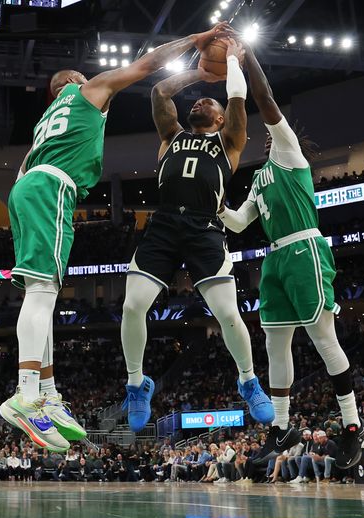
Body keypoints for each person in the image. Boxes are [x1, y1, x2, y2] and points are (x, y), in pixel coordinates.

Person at [0, 22, 235, 452]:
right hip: (52, 189)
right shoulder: (82, 92)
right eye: (84, 78)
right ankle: (26, 393)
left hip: (29, 189)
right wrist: (195, 42)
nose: (93, 80)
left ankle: (47, 394)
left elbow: (22, 175)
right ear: (72, 84)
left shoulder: (46, 121)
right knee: (41, 294)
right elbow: (147, 66)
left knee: (44, 291)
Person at [218, 44, 364, 468]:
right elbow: (240, 222)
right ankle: (281, 428)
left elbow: (265, 100)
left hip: (304, 249)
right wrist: (212, 203)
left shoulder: (290, 153)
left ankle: (353, 425)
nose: (267, 131)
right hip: (275, 258)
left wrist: (245, 60)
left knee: (323, 339)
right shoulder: (261, 176)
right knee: (274, 343)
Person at [121, 38, 273, 432]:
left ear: (222, 119)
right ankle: (137, 385)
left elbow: (238, 101)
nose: (201, 102)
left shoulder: (230, 141)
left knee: (227, 313)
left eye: (210, 103)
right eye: (199, 102)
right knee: (133, 306)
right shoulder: (171, 135)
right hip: (165, 223)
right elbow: (159, 91)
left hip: (205, 226)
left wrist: (234, 65)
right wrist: (201, 74)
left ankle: (248, 380)